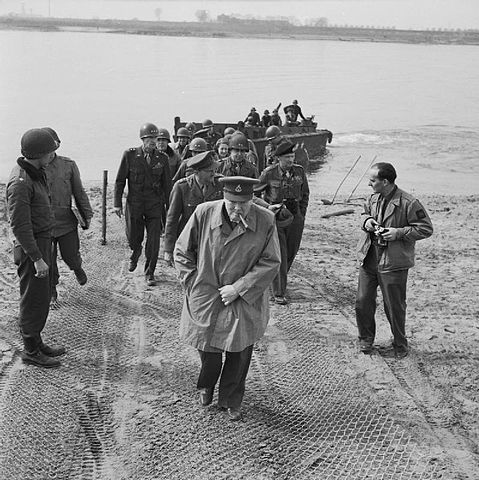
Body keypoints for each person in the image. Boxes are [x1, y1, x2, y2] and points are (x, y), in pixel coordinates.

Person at [174, 176, 281, 421]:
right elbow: (182, 251)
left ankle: (231, 399)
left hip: (243, 297)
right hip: (207, 293)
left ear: (251, 200)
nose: (236, 209)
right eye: (232, 203)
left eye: (243, 204)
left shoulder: (266, 220)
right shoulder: (203, 213)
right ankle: (206, 386)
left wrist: (239, 288)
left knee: (239, 350)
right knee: (208, 347)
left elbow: (271, 262)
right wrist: (192, 283)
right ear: (224, 197)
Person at [355, 162, 433, 359]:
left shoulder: (409, 202)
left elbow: (425, 228)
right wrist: (367, 222)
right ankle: (365, 339)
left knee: (394, 305)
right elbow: (364, 213)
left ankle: (400, 344)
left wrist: (398, 233)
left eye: (372, 180)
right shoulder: (373, 198)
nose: (368, 184)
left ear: (385, 181)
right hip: (369, 257)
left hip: (393, 261)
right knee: (363, 301)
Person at [6, 128, 65, 368]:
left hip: (42, 241)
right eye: (50, 151)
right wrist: (37, 258)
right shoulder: (20, 182)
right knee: (32, 299)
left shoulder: (35, 172)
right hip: (32, 247)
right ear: (39, 153)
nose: (53, 155)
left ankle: (36, 341)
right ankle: (30, 350)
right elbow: (20, 226)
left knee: (41, 298)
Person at [114, 123, 172, 286]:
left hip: (154, 205)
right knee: (134, 237)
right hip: (135, 204)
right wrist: (117, 203)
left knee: (154, 240)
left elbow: (168, 186)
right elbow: (120, 181)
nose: (153, 141)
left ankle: (149, 272)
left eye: (155, 138)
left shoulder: (162, 159)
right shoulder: (130, 155)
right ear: (142, 139)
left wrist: (170, 208)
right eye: (149, 138)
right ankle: (136, 251)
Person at [42, 127, 93, 305]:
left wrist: (87, 215)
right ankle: (52, 291)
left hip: (66, 222)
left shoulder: (68, 165)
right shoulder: (35, 167)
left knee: (70, 255)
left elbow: (79, 192)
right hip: (44, 225)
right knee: (48, 260)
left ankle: (77, 268)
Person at [258, 140, 309, 305]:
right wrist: (268, 208)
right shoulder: (269, 173)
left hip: (295, 219)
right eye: (287, 157)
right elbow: (253, 195)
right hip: (276, 219)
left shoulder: (299, 171)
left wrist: (301, 213)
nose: (291, 159)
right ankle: (278, 292)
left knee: (291, 252)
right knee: (279, 254)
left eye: (292, 156)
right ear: (278, 158)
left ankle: (277, 281)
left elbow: (305, 194)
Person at [163, 151, 223, 267]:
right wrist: (168, 249)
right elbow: (172, 220)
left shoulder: (220, 184)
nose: (213, 173)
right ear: (197, 172)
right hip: (188, 241)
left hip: (212, 241)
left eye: (214, 170)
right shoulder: (182, 188)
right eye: (209, 171)